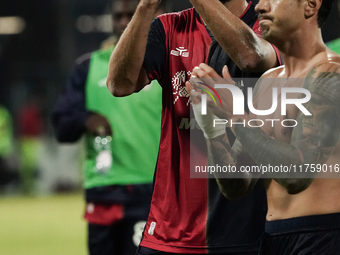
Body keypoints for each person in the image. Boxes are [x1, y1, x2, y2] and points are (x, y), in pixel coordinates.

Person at [106, 0, 280, 254]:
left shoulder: (267, 20)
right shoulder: (168, 27)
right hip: (168, 233)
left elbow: (251, 57)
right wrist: (146, 7)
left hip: (241, 233)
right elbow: (119, 85)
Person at [189, 0, 340, 254]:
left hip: (323, 237)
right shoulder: (269, 82)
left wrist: (236, 116)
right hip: (271, 238)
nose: (260, 6)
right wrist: (213, 129)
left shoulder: (331, 75)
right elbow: (237, 185)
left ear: (310, 6)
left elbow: (298, 175)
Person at [52, 1, 165, 254]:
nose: (124, 21)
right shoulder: (87, 67)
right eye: (118, 16)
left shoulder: (168, 64)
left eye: (131, 14)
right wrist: (85, 118)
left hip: (153, 191)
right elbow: (61, 125)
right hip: (104, 192)